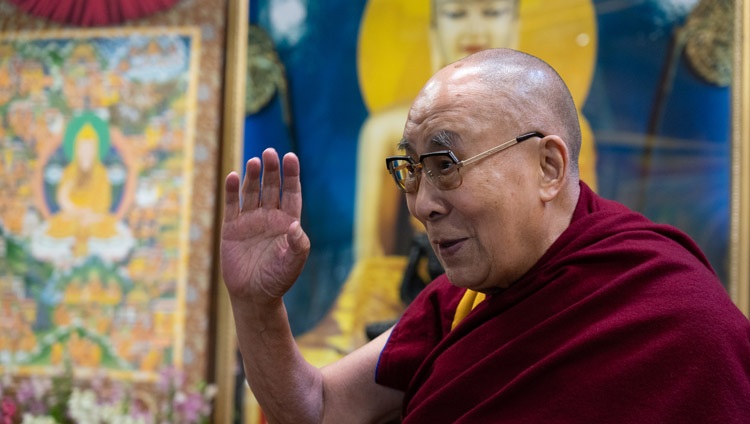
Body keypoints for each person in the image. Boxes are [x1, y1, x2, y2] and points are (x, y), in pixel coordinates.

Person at [221, 48, 750, 423]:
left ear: (547, 167)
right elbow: (319, 409)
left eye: (445, 163)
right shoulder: (461, 303)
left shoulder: (679, 321)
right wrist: (255, 304)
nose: (421, 204)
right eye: (410, 169)